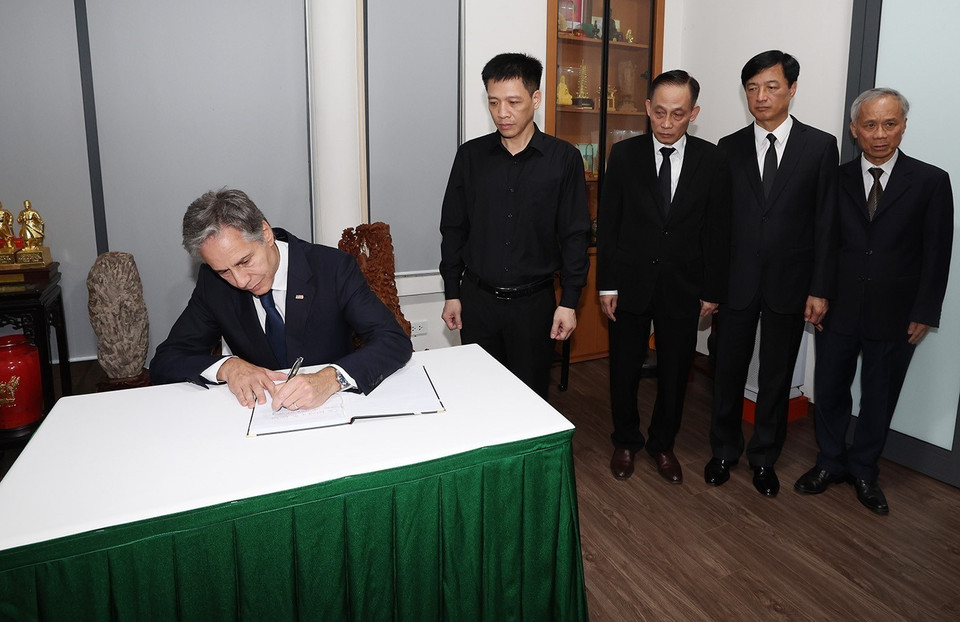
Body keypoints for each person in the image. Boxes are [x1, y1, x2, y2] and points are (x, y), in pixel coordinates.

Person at [794, 88, 953, 513]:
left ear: (903, 126)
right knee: (829, 391)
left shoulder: (931, 181)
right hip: (837, 307)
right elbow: (821, 242)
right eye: (870, 124)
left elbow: (938, 253)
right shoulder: (835, 178)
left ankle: (864, 469)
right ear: (854, 130)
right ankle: (829, 462)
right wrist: (817, 292)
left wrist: (925, 311)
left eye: (890, 123)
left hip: (897, 314)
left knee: (880, 397)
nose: (880, 134)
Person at [705, 50, 838, 497]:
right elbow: (718, 227)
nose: (760, 97)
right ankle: (723, 450)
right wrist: (711, 286)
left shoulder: (820, 147)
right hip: (736, 284)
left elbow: (825, 223)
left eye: (771, 87)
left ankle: (765, 458)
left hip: (790, 285)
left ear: (792, 89)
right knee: (727, 371)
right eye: (752, 88)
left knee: (777, 377)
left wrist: (820, 288)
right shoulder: (728, 147)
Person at [150, 189, 412, 410]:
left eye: (244, 261)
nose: (240, 281)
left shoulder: (331, 268)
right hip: (260, 417)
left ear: (265, 233)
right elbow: (166, 360)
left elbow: (394, 340)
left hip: (335, 410)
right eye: (224, 271)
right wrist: (227, 367)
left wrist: (332, 378)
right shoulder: (213, 284)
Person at [598, 70, 730, 483]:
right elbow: (610, 224)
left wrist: (712, 288)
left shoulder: (712, 160)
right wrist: (607, 283)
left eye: (678, 114)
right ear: (646, 110)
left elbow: (717, 230)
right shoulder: (624, 155)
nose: (667, 123)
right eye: (659, 113)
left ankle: (662, 444)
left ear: (694, 113)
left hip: (684, 286)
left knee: (675, 372)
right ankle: (626, 440)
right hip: (630, 284)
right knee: (623, 368)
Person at [439, 52, 590, 399]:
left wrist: (569, 301)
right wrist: (452, 291)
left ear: (535, 99)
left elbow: (574, 235)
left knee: (530, 398)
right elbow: (454, 228)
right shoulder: (470, 156)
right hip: (477, 301)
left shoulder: (563, 159)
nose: (502, 113)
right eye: (493, 102)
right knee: (478, 395)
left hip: (534, 305)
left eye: (513, 102)